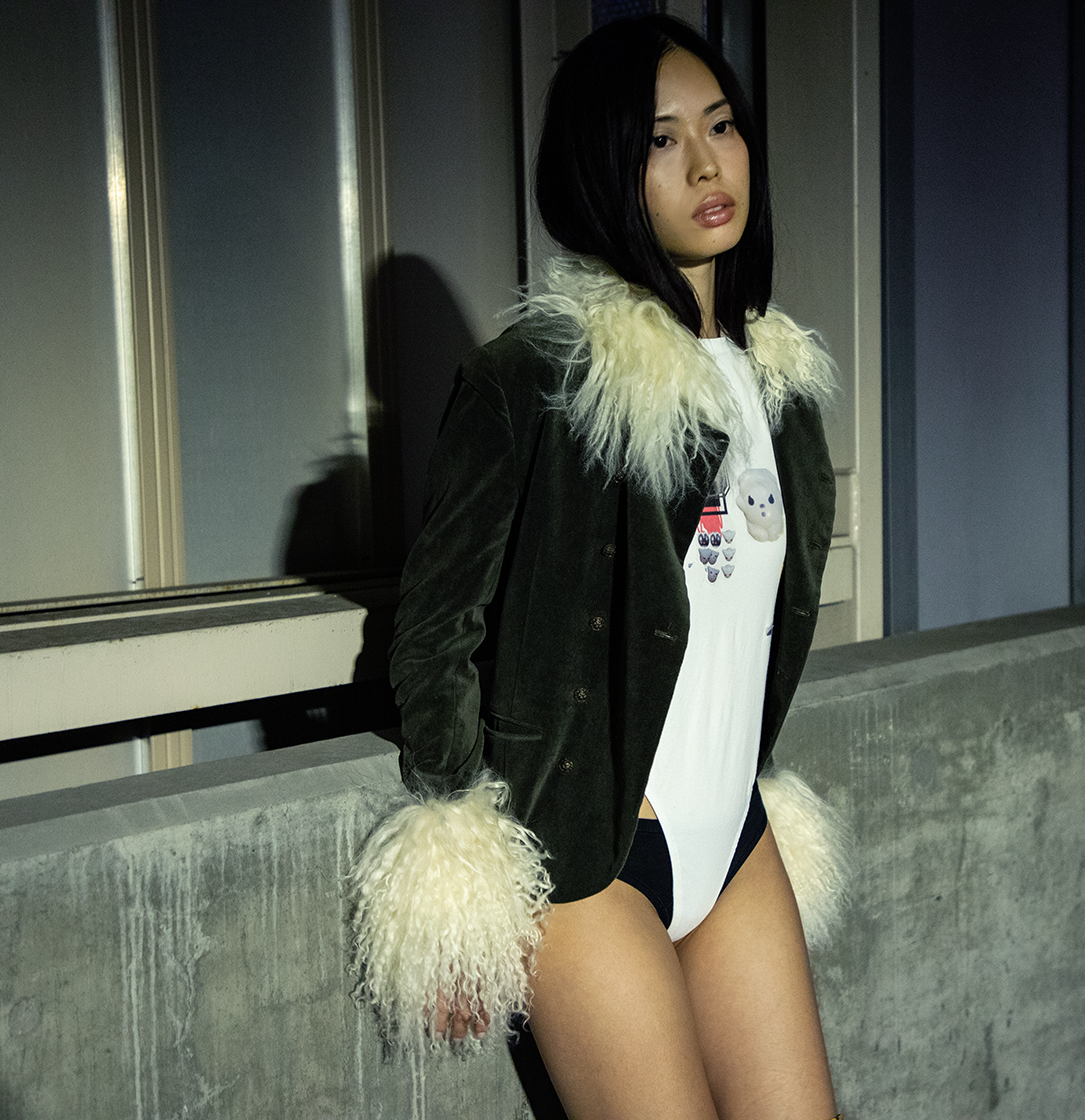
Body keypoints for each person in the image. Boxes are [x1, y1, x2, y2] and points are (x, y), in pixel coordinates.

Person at [350, 15, 846, 1119]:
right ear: (603, 175)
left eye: (721, 126)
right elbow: (436, 631)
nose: (708, 164)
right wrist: (458, 876)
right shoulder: (541, 377)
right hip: (592, 863)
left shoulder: (779, 386)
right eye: (660, 141)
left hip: (734, 840)